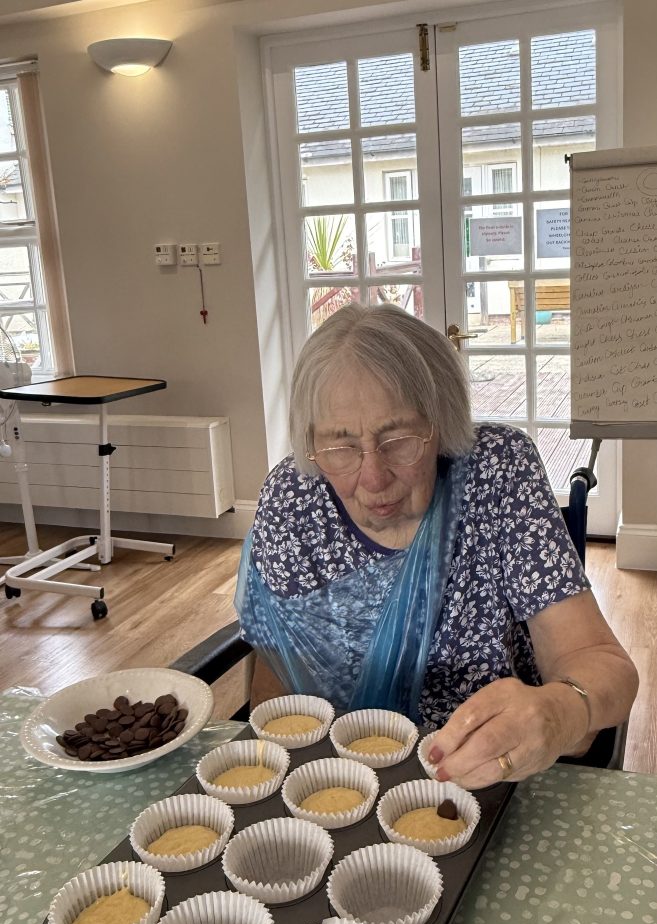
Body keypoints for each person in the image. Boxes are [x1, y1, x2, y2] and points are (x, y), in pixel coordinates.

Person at [236, 303, 638, 789]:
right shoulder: (293, 498)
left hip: (489, 774)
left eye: (399, 439)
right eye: (340, 447)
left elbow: (604, 665)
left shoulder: (496, 472)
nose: (373, 478)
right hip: (341, 776)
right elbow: (276, 685)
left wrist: (559, 713)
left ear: (442, 424)